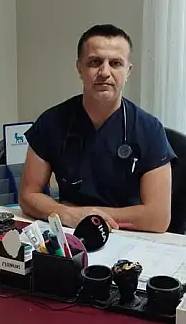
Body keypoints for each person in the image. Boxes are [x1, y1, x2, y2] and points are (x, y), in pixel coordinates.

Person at [19, 24, 177, 233]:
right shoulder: (52, 122)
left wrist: (83, 215)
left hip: (129, 236)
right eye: (95, 62)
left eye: (115, 63)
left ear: (128, 71)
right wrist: (67, 215)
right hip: (71, 233)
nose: (105, 72)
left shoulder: (149, 130)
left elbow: (157, 218)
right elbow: (28, 196)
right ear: (80, 68)